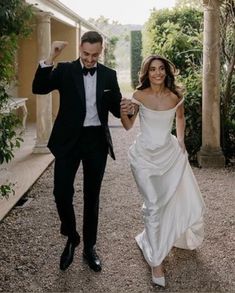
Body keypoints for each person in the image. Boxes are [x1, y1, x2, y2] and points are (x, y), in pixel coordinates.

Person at [32, 31, 125, 272]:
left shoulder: (109, 75)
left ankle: (89, 248)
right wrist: (50, 56)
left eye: (95, 55)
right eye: (86, 54)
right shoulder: (64, 70)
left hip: (96, 141)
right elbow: (39, 87)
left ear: (101, 51)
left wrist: (128, 107)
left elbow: (116, 109)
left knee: (92, 197)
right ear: (80, 49)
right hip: (68, 140)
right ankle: (72, 236)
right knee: (61, 192)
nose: (90, 59)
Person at [120, 55, 205, 287]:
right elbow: (128, 126)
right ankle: (156, 261)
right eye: (152, 70)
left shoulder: (175, 97)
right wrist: (122, 111)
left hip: (168, 155)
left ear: (166, 72)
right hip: (144, 158)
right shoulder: (139, 96)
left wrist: (181, 143)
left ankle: (154, 241)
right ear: (146, 73)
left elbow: (180, 118)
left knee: (166, 202)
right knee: (154, 204)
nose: (157, 73)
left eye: (160, 69)